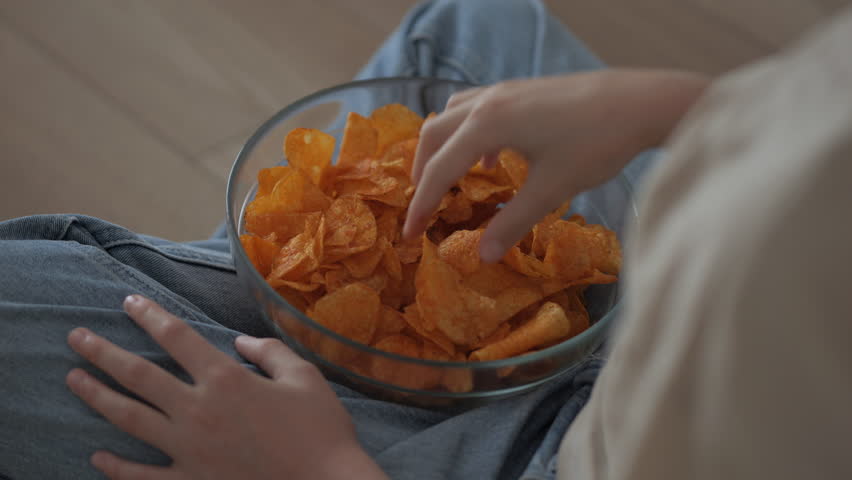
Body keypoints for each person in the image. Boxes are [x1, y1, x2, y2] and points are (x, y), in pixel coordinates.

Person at [1, 0, 850, 479]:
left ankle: (263, 327)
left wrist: (323, 468)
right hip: (658, 334)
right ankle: (266, 316)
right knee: (472, 22)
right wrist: (678, 107)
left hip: (541, 457)